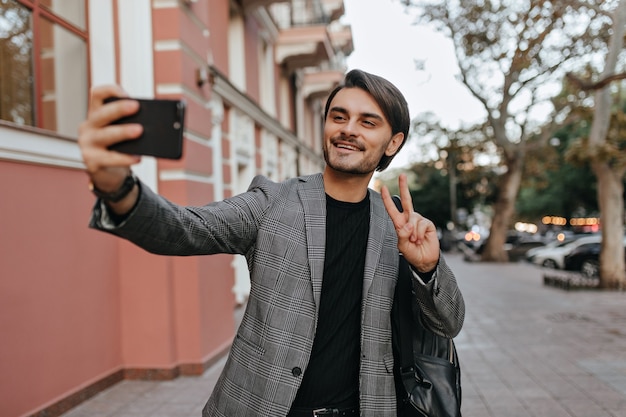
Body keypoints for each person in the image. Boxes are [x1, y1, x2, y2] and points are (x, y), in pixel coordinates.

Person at [78, 69, 465, 417]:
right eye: (339, 117)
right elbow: (184, 228)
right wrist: (118, 188)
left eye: (368, 122)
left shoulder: (401, 226)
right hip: (263, 406)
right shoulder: (272, 201)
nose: (349, 129)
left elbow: (449, 322)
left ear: (392, 142)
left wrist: (426, 268)